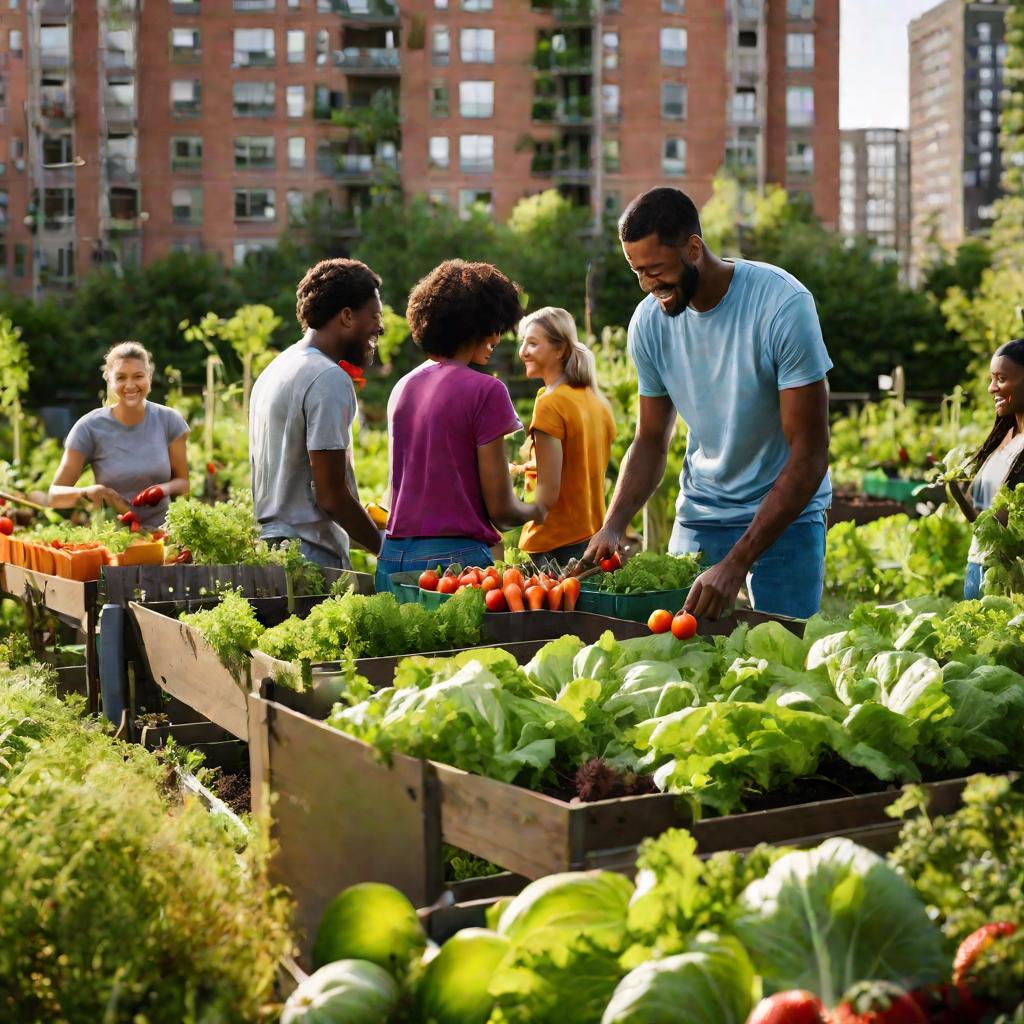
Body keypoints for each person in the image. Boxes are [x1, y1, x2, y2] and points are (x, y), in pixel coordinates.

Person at [583, 187, 832, 620]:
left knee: (782, 660)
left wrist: (737, 563)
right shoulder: (648, 323)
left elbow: (810, 454)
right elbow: (651, 439)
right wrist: (614, 522)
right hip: (703, 513)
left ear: (694, 248)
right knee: (682, 656)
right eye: (637, 272)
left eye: (656, 269)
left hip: (786, 516)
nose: (648, 285)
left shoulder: (782, 305)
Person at [376, 259, 546, 592]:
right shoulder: (487, 390)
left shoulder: (403, 386)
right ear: (478, 325)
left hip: (392, 556)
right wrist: (540, 509)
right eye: (496, 325)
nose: (497, 336)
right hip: (453, 564)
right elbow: (500, 510)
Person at [249, 257, 384, 570]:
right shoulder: (327, 377)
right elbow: (331, 495)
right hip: (311, 558)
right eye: (374, 315)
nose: (379, 326)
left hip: (270, 554)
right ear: (347, 316)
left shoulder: (277, 368)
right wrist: (384, 548)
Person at [49, 341, 190, 530]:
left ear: (149, 376)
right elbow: (54, 495)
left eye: (138, 376)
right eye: (121, 377)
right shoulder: (89, 427)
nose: (130, 385)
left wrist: (163, 489)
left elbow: (183, 484)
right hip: (113, 541)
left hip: (162, 540)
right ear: (109, 379)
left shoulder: (169, 420)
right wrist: (88, 492)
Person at [516, 306, 616, 569]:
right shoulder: (595, 401)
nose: (523, 351)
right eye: (523, 342)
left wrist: (502, 511)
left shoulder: (550, 403)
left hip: (555, 545)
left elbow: (547, 496)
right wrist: (523, 470)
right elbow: (578, 464)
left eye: (533, 343)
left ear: (559, 349)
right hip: (592, 537)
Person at [948, 339, 1024, 599]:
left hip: (1009, 580)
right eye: (992, 379)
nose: (992, 388)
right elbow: (981, 521)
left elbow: (1009, 527)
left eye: (1001, 379)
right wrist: (957, 489)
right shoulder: (1005, 436)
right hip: (978, 568)